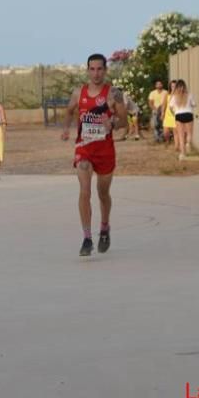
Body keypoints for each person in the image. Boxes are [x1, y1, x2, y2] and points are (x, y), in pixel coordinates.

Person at [61, 54, 128, 257]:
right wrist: (66, 129)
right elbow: (70, 110)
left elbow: (125, 121)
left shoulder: (114, 94)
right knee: (84, 190)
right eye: (92, 69)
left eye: (100, 69)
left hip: (105, 151)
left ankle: (105, 228)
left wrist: (113, 124)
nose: (96, 73)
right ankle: (87, 237)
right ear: (87, 70)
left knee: (102, 193)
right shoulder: (78, 92)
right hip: (84, 148)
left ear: (105, 70)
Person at [169, 80, 197, 160]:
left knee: (180, 136)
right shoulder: (189, 95)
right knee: (189, 133)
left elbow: (170, 107)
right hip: (188, 114)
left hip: (178, 115)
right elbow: (194, 104)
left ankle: (182, 154)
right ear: (184, 86)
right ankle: (188, 143)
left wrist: (174, 113)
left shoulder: (174, 96)